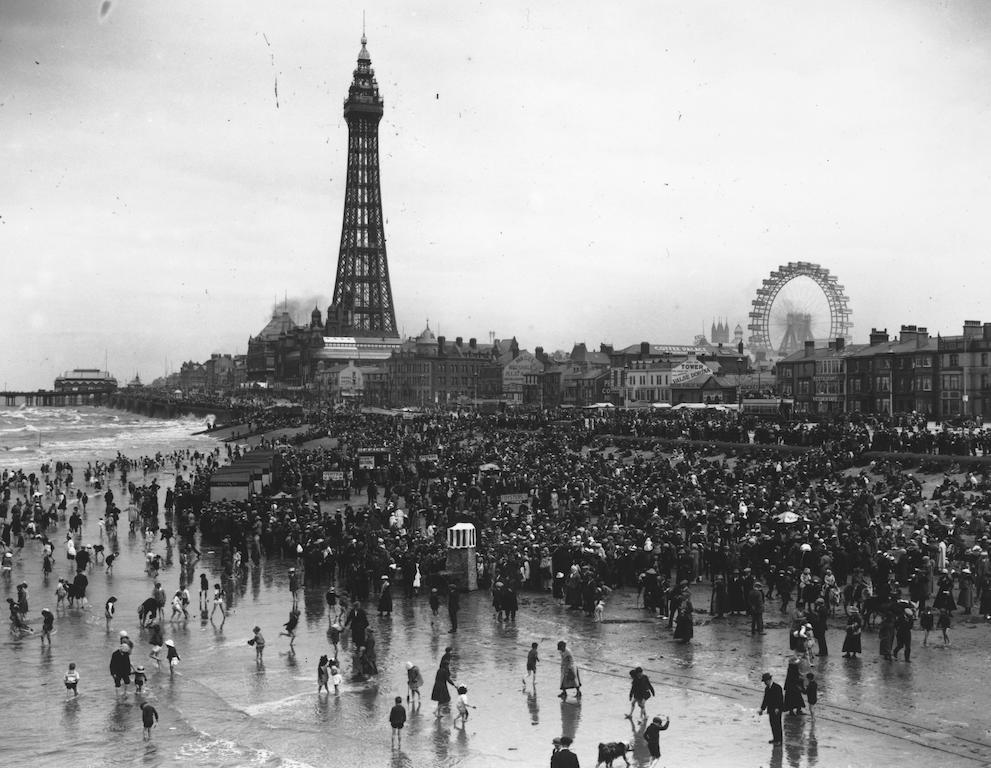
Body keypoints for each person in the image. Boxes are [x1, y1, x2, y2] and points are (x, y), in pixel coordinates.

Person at [758, 672, 784, 745]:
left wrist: (778, 708)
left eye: (765, 681)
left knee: (777, 725)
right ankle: (775, 739)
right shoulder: (767, 689)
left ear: (769, 680)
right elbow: (765, 700)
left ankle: (779, 740)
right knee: (772, 724)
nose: (765, 683)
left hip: (777, 710)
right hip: (771, 709)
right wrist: (762, 709)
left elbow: (780, 699)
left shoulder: (777, 687)